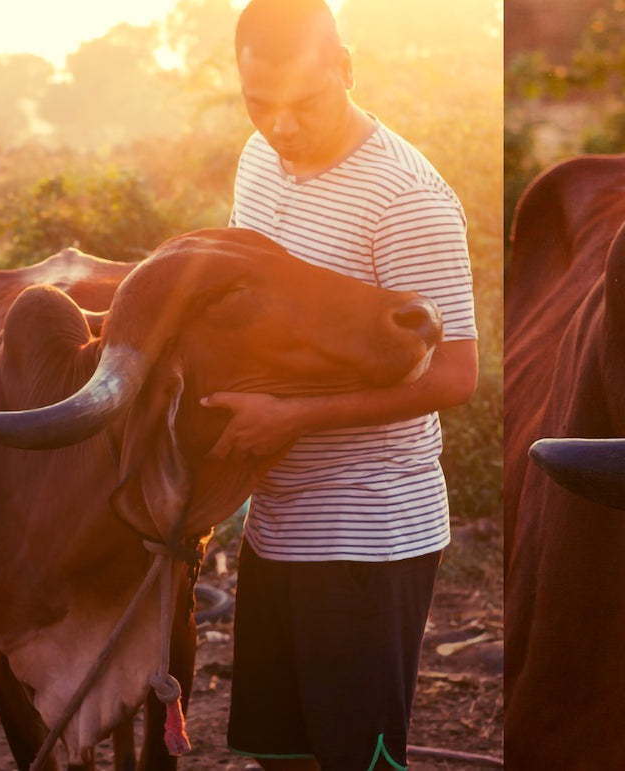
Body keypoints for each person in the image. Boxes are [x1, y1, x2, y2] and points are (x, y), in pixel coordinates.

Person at [211, 0, 478, 768]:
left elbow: (456, 375)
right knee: (278, 751)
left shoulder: (407, 197)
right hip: (277, 517)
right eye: (260, 105)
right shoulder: (257, 160)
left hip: (370, 528)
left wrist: (290, 418)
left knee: (357, 760)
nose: (282, 127)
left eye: (305, 104)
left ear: (347, 68)